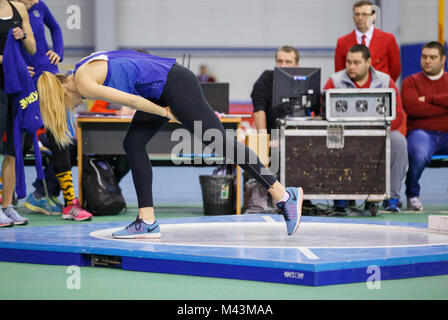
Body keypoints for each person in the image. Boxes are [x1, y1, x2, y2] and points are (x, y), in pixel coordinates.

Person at [36, 50, 304, 238]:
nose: (74, 106)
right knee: (134, 143)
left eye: (65, 106)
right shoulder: (83, 65)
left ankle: (284, 195)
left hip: (173, 85)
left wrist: (167, 112)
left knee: (220, 142)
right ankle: (147, 221)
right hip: (163, 87)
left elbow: (132, 101)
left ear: (64, 93)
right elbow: (130, 59)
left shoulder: (83, 81)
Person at [17, 0, 92, 221]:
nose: (34, 0)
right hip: (26, 81)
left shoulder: (40, 6)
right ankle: (9, 198)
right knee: (21, 144)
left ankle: (71, 204)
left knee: (61, 139)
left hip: (50, 78)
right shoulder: (11, 12)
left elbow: (56, 28)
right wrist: (19, 65)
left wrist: (57, 51)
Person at [323, 44, 408, 212]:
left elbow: (398, 114)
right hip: (345, 135)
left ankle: (392, 197)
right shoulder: (335, 81)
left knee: (399, 142)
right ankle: (340, 197)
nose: (351, 66)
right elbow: (322, 112)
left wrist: (378, 132)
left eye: (356, 62)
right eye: (348, 62)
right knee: (331, 139)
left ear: (368, 62)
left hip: (379, 134)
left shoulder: (385, 81)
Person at [245, 45, 300, 214]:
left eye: (288, 62)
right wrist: (264, 139)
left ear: (297, 65)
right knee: (260, 154)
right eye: (280, 61)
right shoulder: (267, 78)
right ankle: (261, 203)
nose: (283, 65)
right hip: (271, 138)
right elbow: (259, 108)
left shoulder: (302, 82)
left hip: (297, 139)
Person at [401, 41, 448, 211]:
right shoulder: (410, 82)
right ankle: (412, 195)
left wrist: (429, 99)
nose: (427, 61)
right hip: (422, 133)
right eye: (424, 57)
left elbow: (422, 106)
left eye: (432, 57)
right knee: (419, 153)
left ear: (443, 59)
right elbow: (413, 108)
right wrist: (445, 107)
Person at [0, 0, 36, 227]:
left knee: (13, 149)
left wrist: (23, 35)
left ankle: (7, 206)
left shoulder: (19, 9)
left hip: (15, 84)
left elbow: (32, 47)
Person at [334, 1, 401, 82]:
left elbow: (396, 69)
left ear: (373, 17)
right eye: (357, 14)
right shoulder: (342, 42)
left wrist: (384, 84)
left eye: (364, 14)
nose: (360, 18)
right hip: (352, 91)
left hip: (380, 90)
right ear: (353, 17)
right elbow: (340, 73)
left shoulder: (388, 39)